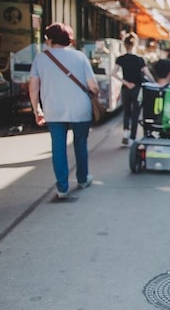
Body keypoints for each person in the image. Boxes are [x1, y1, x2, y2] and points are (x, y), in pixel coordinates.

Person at [29, 23, 99, 200]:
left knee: (58, 147)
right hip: (80, 108)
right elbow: (93, 85)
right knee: (80, 143)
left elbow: (33, 87)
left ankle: (62, 188)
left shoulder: (40, 58)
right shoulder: (80, 57)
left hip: (53, 109)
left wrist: (37, 109)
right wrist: (96, 92)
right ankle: (83, 179)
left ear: (49, 39)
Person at [114, 32, 154, 145]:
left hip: (126, 89)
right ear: (135, 44)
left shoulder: (120, 59)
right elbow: (147, 73)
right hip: (137, 89)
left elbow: (114, 73)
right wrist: (154, 82)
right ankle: (132, 138)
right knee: (136, 114)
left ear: (124, 45)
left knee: (126, 112)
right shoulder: (139, 59)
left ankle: (125, 132)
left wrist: (125, 83)